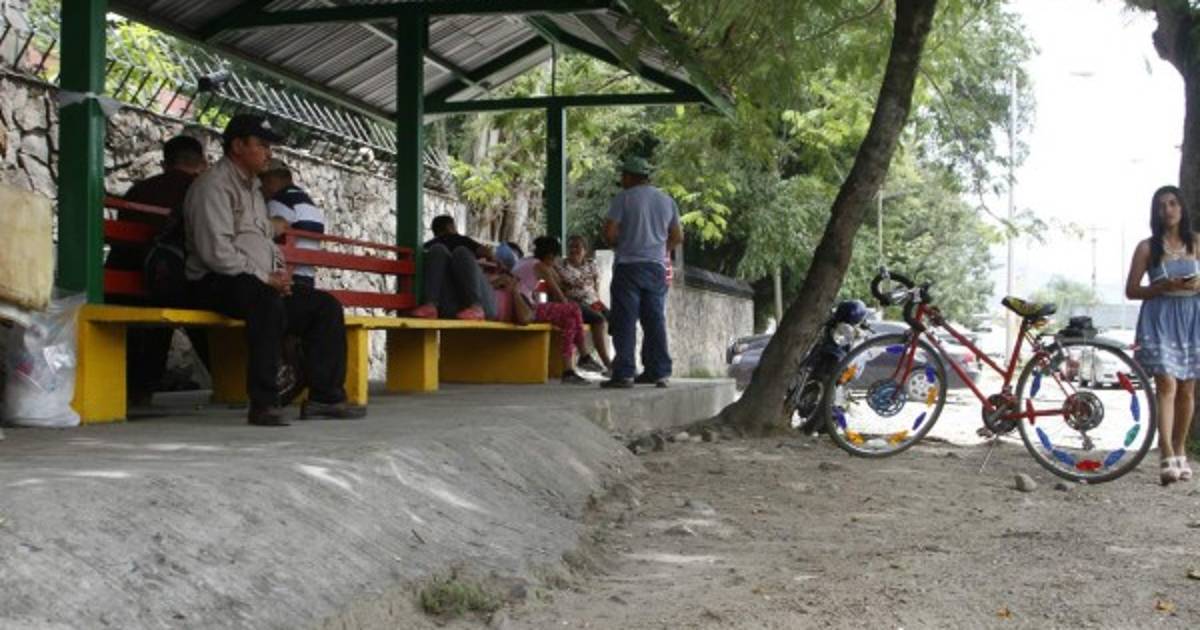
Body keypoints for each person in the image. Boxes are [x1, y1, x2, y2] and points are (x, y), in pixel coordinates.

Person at [184, 113, 365, 426]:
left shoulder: (254, 189)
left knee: (324, 307)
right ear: (238, 146)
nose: (269, 153)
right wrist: (264, 278)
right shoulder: (213, 186)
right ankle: (265, 403)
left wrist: (278, 273)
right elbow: (215, 252)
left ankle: (325, 398)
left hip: (255, 280)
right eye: (263, 145)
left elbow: (262, 240)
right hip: (214, 280)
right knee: (265, 301)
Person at [106, 135, 210, 405]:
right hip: (172, 284)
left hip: (122, 283)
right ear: (202, 163)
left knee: (160, 302)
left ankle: (136, 389)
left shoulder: (139, 190)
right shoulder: (201, 191)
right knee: (192, 297)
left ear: (165, 163)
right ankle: (226, 376)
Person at [1125, 184, 1199, 485]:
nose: (1167, 210)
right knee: (1166, 383)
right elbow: (1131, 290)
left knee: (1187, 388)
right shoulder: (1147, 247)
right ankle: (1165, 450)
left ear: (1181, 208)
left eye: (1172, 203)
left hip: (1192, 319)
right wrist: (1161, 287)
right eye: (1161, 205)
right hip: (1159, 317)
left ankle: (1180, 448)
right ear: (1155, 212)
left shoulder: (1196, 242)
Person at [600, 156, 683, 389]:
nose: (621, 180)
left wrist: (619, 244)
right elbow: (677, 236)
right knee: (654, 319)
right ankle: (658, 372)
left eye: (623, 176)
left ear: (629, 176)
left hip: (628, 267)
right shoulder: (667, 201)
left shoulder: (624, 198)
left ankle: (624, 373)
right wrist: (659, 249)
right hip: (655, 268)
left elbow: (610, 232)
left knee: (625, 320)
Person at [511, 236, 589, 385]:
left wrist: (552, 268)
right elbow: (559, 295)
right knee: (573, 308)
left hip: (522, 306)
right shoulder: (539, 266)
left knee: (570, 321)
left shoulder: (525, 261)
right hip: (525, 308)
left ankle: (568, 371)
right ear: (550, 256)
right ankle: (584, 355)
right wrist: (568, 307)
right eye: (555, 257)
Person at [411, 215, 496, 321]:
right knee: (461, 252)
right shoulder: (462, 240)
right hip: (480, 305)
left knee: (438, 250)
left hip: (446, 305)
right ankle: (475, 306)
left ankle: (430, 304)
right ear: (450, 227)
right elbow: (488, 253)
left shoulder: (428, 247)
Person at [260, 158, 323, 289]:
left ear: (272, 178)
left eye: (262, 180)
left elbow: (264, 236)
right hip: (308, 279)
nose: (260, 187)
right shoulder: (308, 202)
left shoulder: (280, 201)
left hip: (286, 280)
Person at [555, 234, 613, 374]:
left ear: (585, 250)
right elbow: (561, 289)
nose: (573, 250)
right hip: (575, 303)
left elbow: (595, 289)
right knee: (598, 319)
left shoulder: (591, 265)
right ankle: (608, 364)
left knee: (616, 320)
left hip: (593, 302)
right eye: (571, 247)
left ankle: (621, 361)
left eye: (577, 247)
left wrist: (598, 304)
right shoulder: (561, 266)